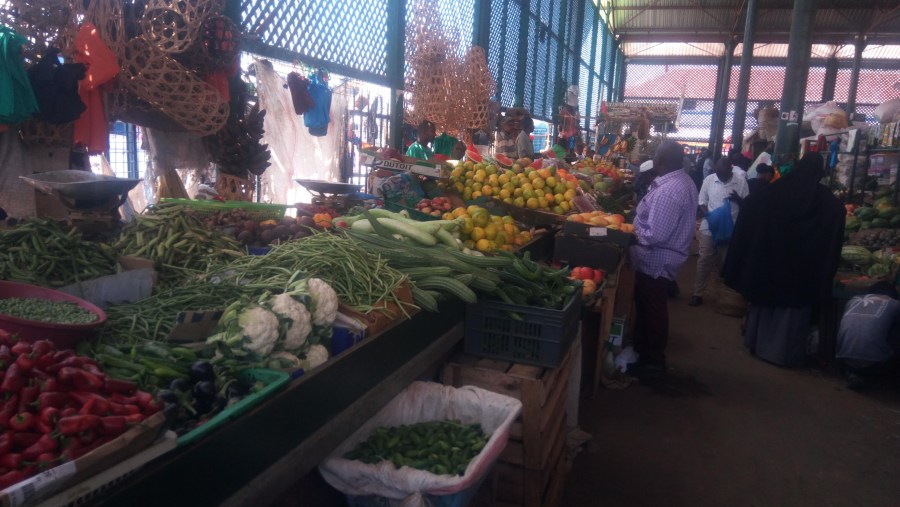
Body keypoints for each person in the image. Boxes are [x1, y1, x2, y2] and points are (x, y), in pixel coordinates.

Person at [723, 152, 845, 368]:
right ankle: (780, 353)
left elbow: (752, 204)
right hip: (799, 273)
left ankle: (755, 342)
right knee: (790, 313)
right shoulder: (825, 202)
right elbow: (835, 218)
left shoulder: (776, 192)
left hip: (769, 265)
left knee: (766, 302)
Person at [628, 140, 699, 378]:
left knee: (653, 310)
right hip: (660, 258)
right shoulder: (682, 181)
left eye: (656, 154)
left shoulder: (670, 191)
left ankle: (653, 361)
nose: (654, 157)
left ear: (663, 161)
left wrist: (629, 233)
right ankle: (645, 354)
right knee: (650, 308)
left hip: (656, 260)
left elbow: (656, 234)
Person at [689, 158, 749, 307]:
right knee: (704, 260)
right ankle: (697, 293)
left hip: (730, 230)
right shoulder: (709, 180)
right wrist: (709, 215)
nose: (721, 176)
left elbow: (748, 206)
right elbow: (701, 201)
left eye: (724, 173)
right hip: (709, 227)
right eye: (718, 173)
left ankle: (723, 295)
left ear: (731, 169)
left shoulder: (741, 182)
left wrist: (738, 199)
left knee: (724, 262)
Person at [836, 282, 900, 390]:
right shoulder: (895, 304)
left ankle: (855, 373)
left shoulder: (853, 300)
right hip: (877, 364)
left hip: (844, 358)